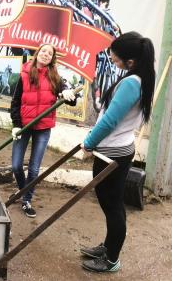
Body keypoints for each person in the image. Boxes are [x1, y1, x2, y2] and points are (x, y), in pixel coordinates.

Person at [80, 32, 155, 272]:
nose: (111, 57)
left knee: (111, 204)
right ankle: (109, 247)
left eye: (115, 56)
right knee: (111, 203)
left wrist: (89, 142)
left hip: (112, 153)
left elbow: (110, 120)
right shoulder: (139, 78)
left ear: (130, 61)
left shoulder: (132, 83)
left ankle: (111, 258)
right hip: (117, 150)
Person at [10, 44, 76, 218]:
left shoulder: (55, 78)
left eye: (50, 53)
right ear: (37, 53)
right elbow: (15, 102)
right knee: (16, 165)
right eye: (44, 51)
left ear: (52, 58)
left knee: (33, 170)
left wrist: (68, 93)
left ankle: (26, 200)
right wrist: (16, 124)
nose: (46, 54)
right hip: (23, 126)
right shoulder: (24, 74)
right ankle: (23, 191)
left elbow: (70, 100)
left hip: (43, 128)